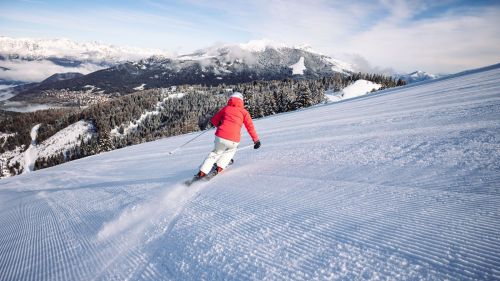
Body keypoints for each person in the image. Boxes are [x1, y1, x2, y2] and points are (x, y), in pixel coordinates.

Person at [196, 92, 261, 179]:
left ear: (230, 100)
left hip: (220, 136)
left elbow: (214, 120)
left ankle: (202, 172)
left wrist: (220, 124)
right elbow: (250, 127)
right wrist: (256, 140)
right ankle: (219, 167)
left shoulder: (226, 109)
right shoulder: (244, 112)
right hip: (234, 139)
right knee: (230, 152)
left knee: (215, 153)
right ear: (241, 101)